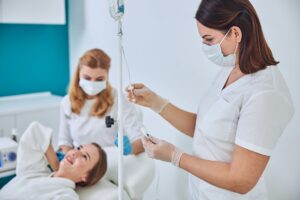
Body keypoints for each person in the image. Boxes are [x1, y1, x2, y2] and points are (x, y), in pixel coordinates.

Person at [126, 0, 294, 199]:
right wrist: (156, 102)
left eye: (208, 39)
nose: (204, 47)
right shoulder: (231, 68)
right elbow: (207, 128)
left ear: (236, 34)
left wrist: (175, 156)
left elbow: (241, 180)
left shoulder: (266, 94)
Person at [58, 48, 144, 156]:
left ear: (107, 77)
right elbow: (65, 142)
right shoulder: (67, 102)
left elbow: (140, 141)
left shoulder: (118, 99)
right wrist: (68, 157)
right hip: (81, 161)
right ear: (79, 74)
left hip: (110, 160)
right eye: (87, 78)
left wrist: (130, 149)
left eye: (99, 79)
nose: (92, 83)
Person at [0, 122, 107, 200]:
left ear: (86, 177)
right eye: (79, 148)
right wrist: (55, 164)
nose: (75, 153)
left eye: (85, 156)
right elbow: (35, 131)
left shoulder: (65, 195)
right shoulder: (37, 171)